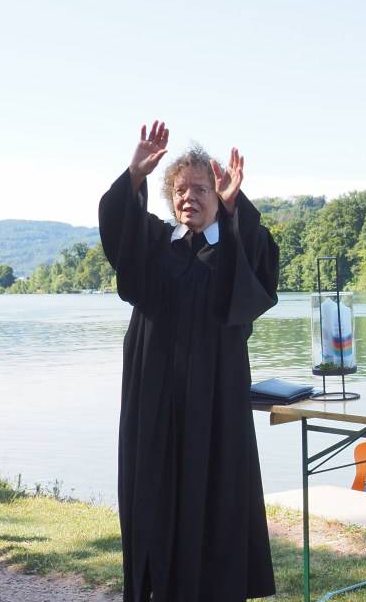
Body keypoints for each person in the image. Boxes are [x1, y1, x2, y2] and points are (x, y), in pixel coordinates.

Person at [99, 121, 281, 601]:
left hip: (215, 394)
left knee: (216, 487)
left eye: (201, 189)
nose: (189, 197)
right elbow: (119, 232)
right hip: (153, 390)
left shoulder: (233, 247)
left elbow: (259, 272)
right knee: (153, 487)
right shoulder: (155, 245)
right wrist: (134, 176)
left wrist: (236, 207)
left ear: (217, 196)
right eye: (180, 190)